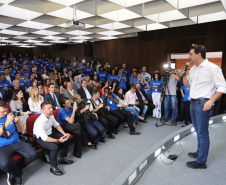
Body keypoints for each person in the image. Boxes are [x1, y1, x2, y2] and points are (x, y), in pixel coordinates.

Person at [182, 45, 226, 169]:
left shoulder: (212, 68)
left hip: (204, 104)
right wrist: (185, 76)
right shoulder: (193, 69)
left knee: (202, 133)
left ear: (198, 54)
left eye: (190, 54)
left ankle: (201, 161)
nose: (188, 56)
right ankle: (199, 152)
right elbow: (186, 84)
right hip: (193, 102)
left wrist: (211, 101)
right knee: (197, 130)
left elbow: (222, 87)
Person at [0, 100, 37, 185]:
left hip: (17, 142)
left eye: (6, 111)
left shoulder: (9, 116)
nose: (5, 113)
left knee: (33, 154)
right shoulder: (8, 119)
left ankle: (14, 170)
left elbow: (21, 131)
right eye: (2, 112)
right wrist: (8, 122)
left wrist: (18, 121)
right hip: (2, 146)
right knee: (4, 164)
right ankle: (17, 174)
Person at [33, 101, 73, 176]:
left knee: (66, 138)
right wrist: (58, 140)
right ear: (43, 110)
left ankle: (62, 158)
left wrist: (64, 134)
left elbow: (56, 124)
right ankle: (53, 167)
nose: (52, 109)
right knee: (54, 147)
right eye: (49, 108)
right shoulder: (39, 122)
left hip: (50, 133)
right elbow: (45, 138)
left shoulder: (51, 115)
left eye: (51, 107)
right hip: (40, 138)